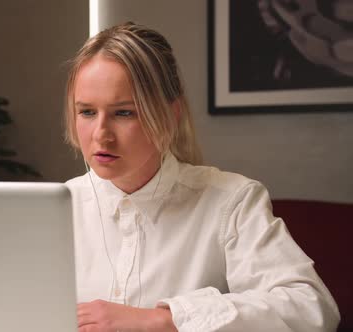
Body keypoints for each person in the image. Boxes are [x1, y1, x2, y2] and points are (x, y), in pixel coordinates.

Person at [64, 22, 340, 332]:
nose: (101, 135)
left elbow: (311, 308)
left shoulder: (231, 201)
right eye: (87, 112)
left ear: (171, 114)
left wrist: (162, 320)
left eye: (124, 112)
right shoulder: (56, 209)